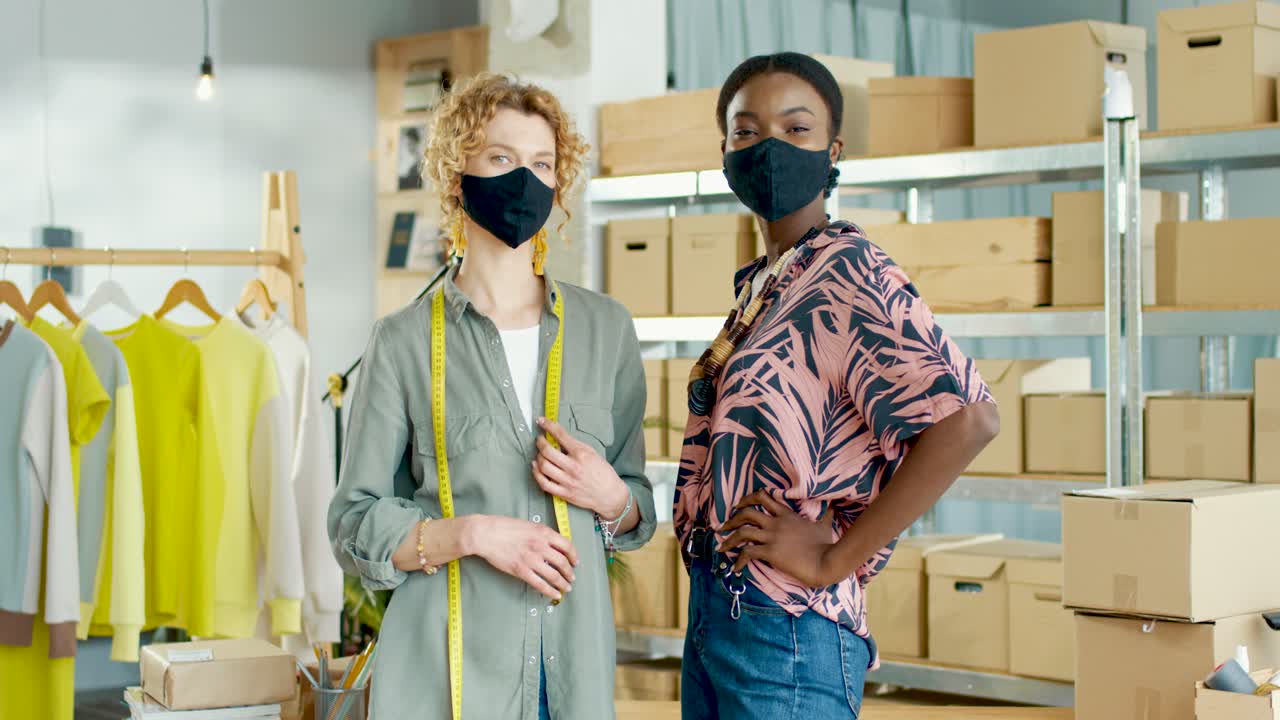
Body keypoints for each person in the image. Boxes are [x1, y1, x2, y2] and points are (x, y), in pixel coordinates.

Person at [674, 52, 1001, 718]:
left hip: (787, 623)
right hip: (722, 609)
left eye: (796, 129)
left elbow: (969, 420)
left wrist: (833, 559)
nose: (768, 147)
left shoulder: (848, 270)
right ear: (725, 149)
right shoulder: (766, 284)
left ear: (833, 149)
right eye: (746, 130)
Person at [329, 73, 657, 720]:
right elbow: (353, 523)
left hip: (572, 678)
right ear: (458, 175)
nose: (524, 182)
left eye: (542, 164)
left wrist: (613, 498)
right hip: (444, 676)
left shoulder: (606, 330)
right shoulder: (403, 343)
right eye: (502, 160)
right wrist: (472, 533)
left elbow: (634, 509)